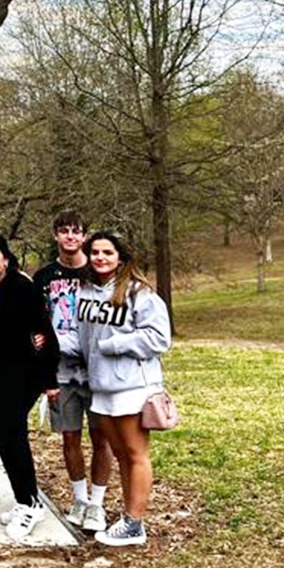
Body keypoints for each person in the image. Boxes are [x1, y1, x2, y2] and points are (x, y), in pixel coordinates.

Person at [76, 230, 171, 547]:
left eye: (107, 252)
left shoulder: (138, 293)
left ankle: (135, 522)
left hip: (131, 386)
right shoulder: (87, 291)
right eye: (95, 252)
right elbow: (84, 338)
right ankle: (129, 518)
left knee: (135, 453)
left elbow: (160, 338)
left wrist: (117, 344)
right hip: (100, 386)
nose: (100, 258)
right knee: (119, 454)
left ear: (121, 257)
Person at [0, 233, 59, 542]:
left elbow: (43, 333)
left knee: (9, 430)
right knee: (2, 430)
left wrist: (49, 379)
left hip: (26, 372)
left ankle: (30, 503)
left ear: (6, 259)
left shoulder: (22, 288)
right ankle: (26, 497)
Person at [33, 210, 113, 533]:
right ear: (55, 235)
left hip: (97, 369)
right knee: (70, 436)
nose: (70, 236)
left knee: (101, 438)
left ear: (84, 236)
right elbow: (36, 327)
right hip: (61, 370)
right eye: (63, 230)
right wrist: (45, 376)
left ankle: (97, 503)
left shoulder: (97, 271)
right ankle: (79, 499)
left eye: (76, 231)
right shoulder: (44, 277)